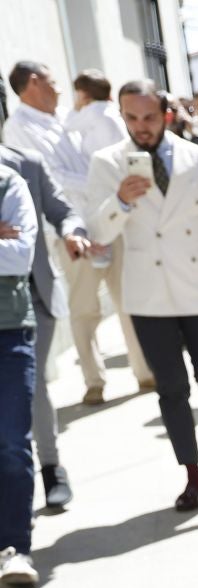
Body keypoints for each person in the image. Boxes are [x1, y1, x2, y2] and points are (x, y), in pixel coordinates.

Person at [83, 81, 198, 512]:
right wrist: (119, 201)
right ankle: (193, 474)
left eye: (150, 118)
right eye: (132, 118)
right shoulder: (107, 163)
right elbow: (98, 234)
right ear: (122, 117)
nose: (141, 127)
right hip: (148, 297)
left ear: (167, 115)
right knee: (171, 390)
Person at [5, 62, 150, 401]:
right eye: (53, 82)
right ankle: (94, 381)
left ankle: (145, 372)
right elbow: (52, 180)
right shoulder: (19, 128)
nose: (60, 90)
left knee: (128, 299)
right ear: (34, 83)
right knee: (85, 309)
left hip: (109, 220)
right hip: (74, 232)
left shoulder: (66, 119)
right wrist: (104, 181)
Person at [0, 142, 88, 510]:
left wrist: (72, 232)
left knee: (30, 386)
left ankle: (51, 467)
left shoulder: (25, 165)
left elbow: (61, 210)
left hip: (33, 296)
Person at [0, 162, 42, 587]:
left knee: (12, 440)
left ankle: (15, 546)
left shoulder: (9, 182)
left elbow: (18, 256)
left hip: (8, 330)